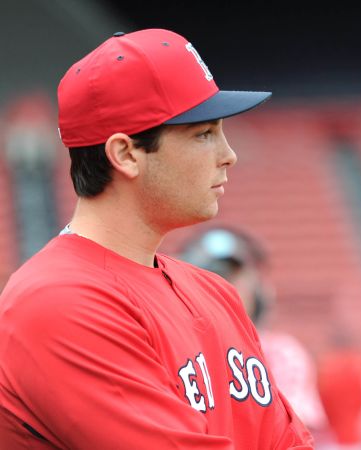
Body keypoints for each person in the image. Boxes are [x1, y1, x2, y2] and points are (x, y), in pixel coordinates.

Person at [0, 29, 313, 449]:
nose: (228, 154)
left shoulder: (215, 292)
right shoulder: (58, 302)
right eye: (204, 134)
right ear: (126, 154)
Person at [179, 226, 333, 443]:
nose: (220, 287)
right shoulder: (170, 346)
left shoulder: (282, 354)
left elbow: (289, 434)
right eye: (209, 276)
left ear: (258, 290)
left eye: (232, 277)